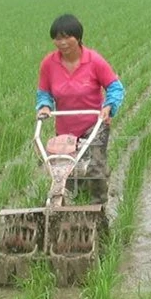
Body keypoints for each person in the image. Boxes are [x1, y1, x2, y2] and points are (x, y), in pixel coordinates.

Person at [36, 14, 124, 204]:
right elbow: (44, 92)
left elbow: (115, 87)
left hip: (94, 125)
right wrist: (44, 106)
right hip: (65, 129)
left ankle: (98, 209)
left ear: (78, 37)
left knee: (95, 170)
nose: (62, 42)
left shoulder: (94, 61)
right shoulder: (49, 64)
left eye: (67, 37)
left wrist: (109, 106)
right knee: (64, 173)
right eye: (57, 38)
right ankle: (65, 210)